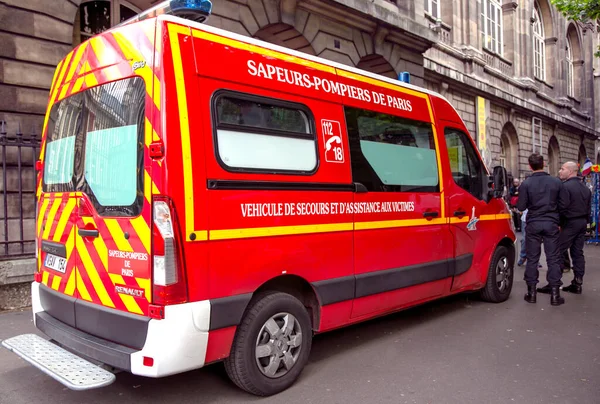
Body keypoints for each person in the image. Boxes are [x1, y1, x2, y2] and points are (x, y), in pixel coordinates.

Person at [517, 153, 568, 306]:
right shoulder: (556, 182)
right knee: (553, 258)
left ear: (529, 165)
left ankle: (531, 293)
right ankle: (555, 294)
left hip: (533, 222)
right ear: (544, 164)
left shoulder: (526, 184)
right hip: (551, 222)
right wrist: (560, 222)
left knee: (532, 258)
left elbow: (521, 206)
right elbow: (564, 205)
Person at [538, 161, 591, 295]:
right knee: (577, 252)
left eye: (562, 169)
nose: (560, 171)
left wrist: (559, 223)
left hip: (569, 223)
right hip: (582, 222)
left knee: (556, 251)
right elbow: (588, 208)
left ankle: (554, 283)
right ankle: (577, 283)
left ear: (571, 171)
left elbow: (562, 207)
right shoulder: (585, 188)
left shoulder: (565, 187)